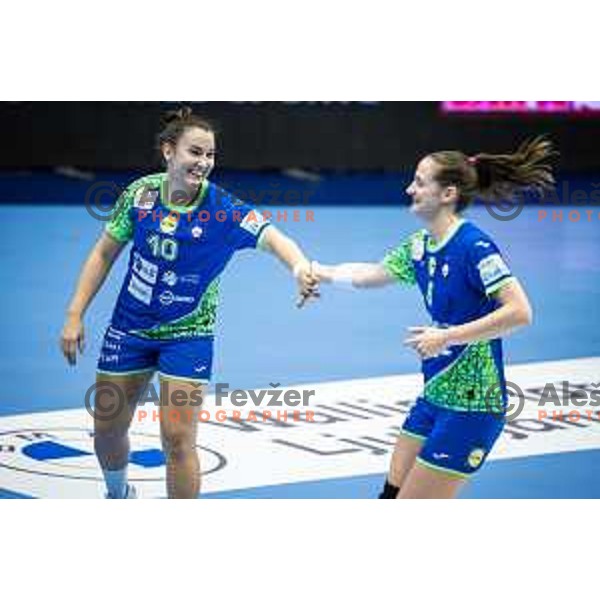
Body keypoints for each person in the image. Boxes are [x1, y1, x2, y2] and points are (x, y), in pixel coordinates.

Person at [60, 107, 318, 499]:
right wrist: (75, 314)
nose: (204, 163)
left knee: (178, 439)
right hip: (129, 330)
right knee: (108, 429)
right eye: (195, 152)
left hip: (188, 336)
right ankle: (118, 495)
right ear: (168, 151)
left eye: (210, 155)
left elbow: (275, 239)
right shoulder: (141, 194)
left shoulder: (224, 210)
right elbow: (104, 253)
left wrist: (299, 267)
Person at [313, 138, 555, 499]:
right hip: (435, 394)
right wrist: (319, 271)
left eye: (420, 182)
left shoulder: (474, 246)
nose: (409, 188)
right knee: (390, 495)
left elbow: (520, 312)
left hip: (474, 405)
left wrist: (447, 336)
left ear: (448, 194)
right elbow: (370, 274)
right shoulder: (419, 244)